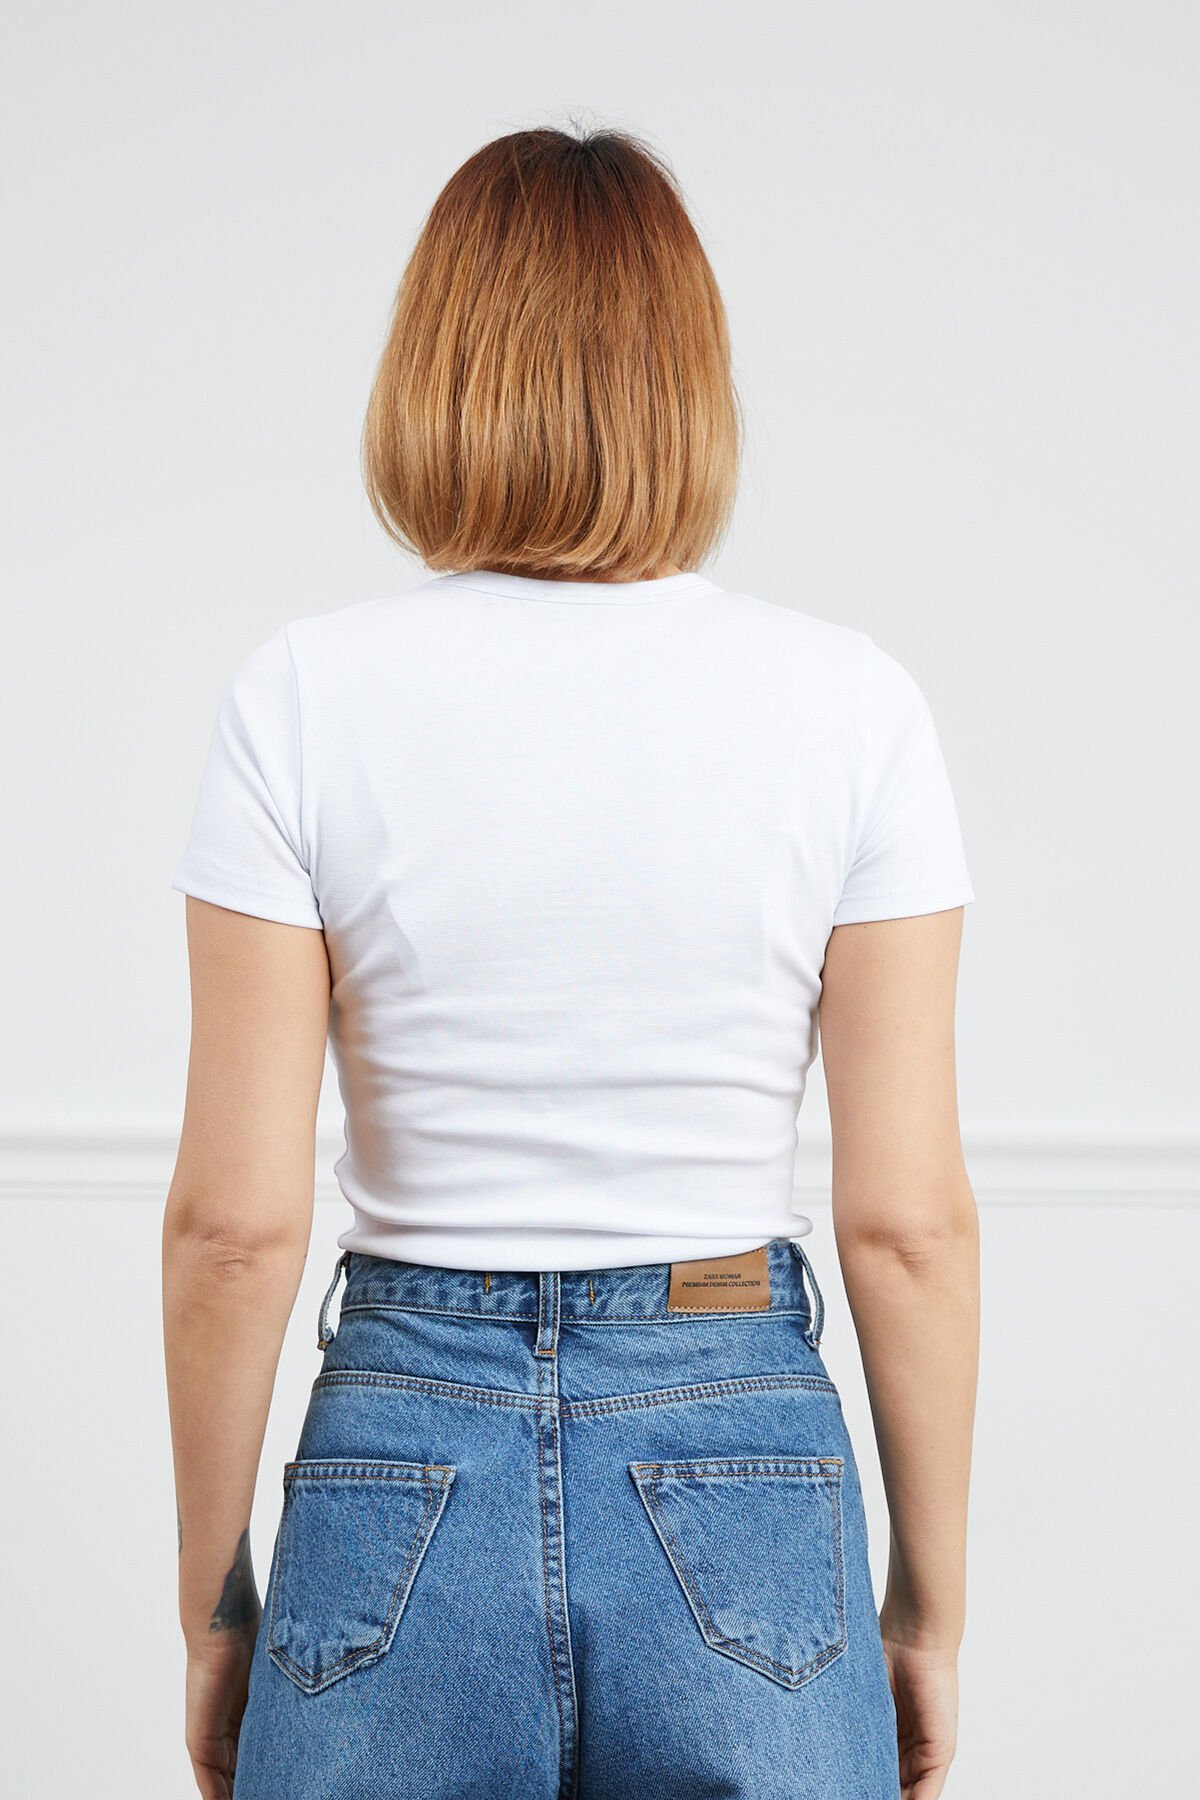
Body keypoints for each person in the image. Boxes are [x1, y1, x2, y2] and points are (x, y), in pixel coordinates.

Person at [164, 124, 979, 1800]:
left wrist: (213, 1606)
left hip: (397, 1462)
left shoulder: (301, 696)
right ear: (693, 384)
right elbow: (908, 1226)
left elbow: (233, 1229)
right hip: (744, 1449)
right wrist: (927, 1610)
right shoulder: (853, 706)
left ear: (433, 365)